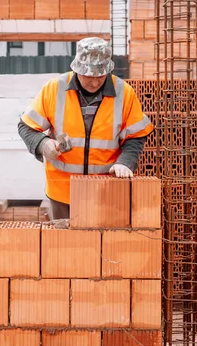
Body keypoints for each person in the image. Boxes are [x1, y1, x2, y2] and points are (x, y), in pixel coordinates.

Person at [18, 37, 154, 220]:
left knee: (102, 246)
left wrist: (125, 162)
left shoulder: (125, 93)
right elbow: (26, 126)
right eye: (89, 76)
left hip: (106, 191)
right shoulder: (53, 89)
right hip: (62, 192)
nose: (95, 82)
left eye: (101, 75)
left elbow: (136, 136)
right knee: (63, 246)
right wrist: (42, 144)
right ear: (76, 69)